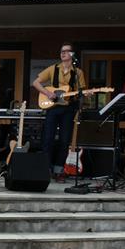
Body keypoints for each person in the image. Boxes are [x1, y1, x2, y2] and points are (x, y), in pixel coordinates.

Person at [32, 42, 91, 181]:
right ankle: (45, 169)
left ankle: (58, 170)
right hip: (53, 108)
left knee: (65, 140)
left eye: (66, 51)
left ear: (72, 54)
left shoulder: (78, 72)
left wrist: (85, 94)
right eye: (61, 51)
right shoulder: (53, 69)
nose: (63, 53)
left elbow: (81, 90)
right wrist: (47, 93)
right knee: (48, 139)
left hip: (69, 109)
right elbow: (36, 83)